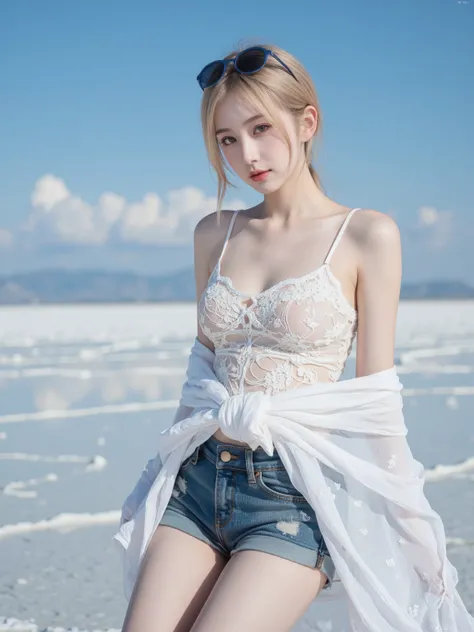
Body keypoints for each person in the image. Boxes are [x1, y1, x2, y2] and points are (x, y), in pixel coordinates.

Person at [114, 44, 474, 632]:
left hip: (292, 495)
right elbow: (202, 369)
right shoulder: (215, 232)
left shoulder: (366, 235)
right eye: (227, 139)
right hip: (198, 482)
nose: (246, 154)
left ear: (307, 123)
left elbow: (375, 396)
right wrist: (158, 474)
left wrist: (412, 527)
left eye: (261, 129)